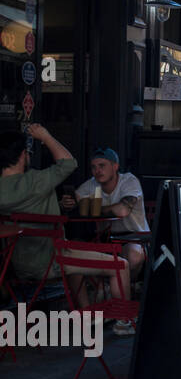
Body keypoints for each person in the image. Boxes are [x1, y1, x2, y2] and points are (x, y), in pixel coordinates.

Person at [0, 126, 129, 318]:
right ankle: (123, 321)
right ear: (22, 155)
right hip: (50, 260)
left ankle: (86, 315)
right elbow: (68, 163)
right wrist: (45, 136)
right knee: (122, 265)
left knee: (75, 262)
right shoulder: (35, 180)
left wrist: (57, 205)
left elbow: (28, 212)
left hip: (15, 264)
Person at [60, 146, 149, 283]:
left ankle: (128, 287)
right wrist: (66, 203)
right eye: (94, 167)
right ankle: (105, 291)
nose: (97, 171)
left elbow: (122, 210)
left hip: (133, 237)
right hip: (104, 238)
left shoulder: (128, 180)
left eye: (102, 166)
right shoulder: (92, 183)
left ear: (115, 166)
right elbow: (76, 197)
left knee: (133, 257)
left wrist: (96, 209)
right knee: (74, 256)